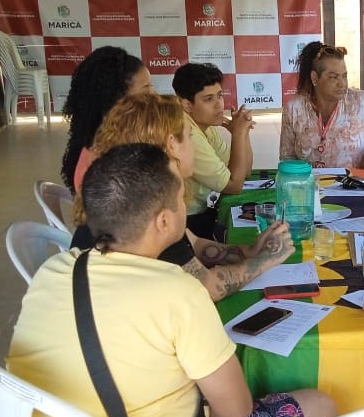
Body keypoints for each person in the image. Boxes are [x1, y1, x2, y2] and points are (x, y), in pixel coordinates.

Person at [8, 143, 335, 417]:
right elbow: (235, 411)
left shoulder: (55, 269)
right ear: (164, 221)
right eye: (181, 198)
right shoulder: (179, 291)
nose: (185, 207)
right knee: (320, 407)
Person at [71, 93, 293, 301]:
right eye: (190, 137)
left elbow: (193, 243)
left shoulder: (134, 188)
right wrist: (265, 260)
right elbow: (208, 287)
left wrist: (249, 251)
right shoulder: (146, 208)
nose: (194, 147)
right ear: (171, 144)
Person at [280, 41, 364, 170]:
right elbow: (287, 159)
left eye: (344, 76)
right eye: (333, 77)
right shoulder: (294, 109)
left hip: (355, 182)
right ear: (315, 78)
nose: (342, 83)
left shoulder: (361, 102)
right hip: (308, 183)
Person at [172, 63, 255, 240]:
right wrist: (238, 134)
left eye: (220, 95)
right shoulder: (187, 133)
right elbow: (233, 186)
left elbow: (244, 172)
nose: (219, 105)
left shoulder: (205, 125)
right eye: (208, 99)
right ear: (187, 105)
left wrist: (243, 132)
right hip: (185, 222)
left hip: (201, 213)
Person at [60, 46, 153, 194]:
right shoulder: (108, 158)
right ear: (118, 98)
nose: (154, 94)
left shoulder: (112, 139)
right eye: (146, 88)